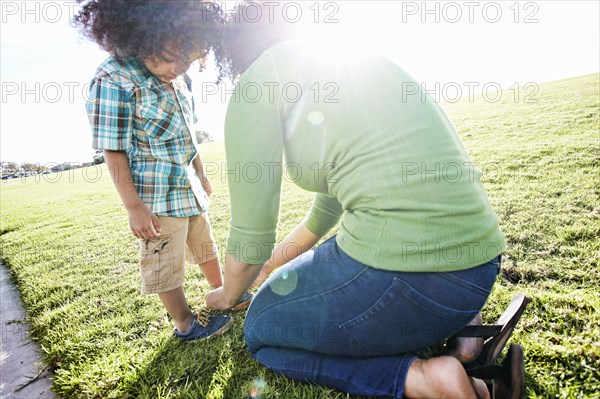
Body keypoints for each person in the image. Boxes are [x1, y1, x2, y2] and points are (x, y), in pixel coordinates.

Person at [199, 3, 521, 398]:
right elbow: (325, 212)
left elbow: (250, 242)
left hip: (414, 282)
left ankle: (424, 380)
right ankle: (466, 334)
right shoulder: (356, 66)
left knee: (262, 330)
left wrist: (229, 296)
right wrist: (274, 265)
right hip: (477, 270)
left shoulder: (258, 83)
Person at [74, 0, 249, 341]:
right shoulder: (114, 78)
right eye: (174, 57)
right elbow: (113, 149)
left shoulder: (179, 80)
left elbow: (189, 133)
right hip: (154, 198)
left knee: (205, 246)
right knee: (164, 263)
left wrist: (201, 173)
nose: (179, 68)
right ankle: (185, 323)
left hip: (187, 188)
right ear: (146, 35)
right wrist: (133, 207)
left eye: (189, 60)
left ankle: (226, 293)